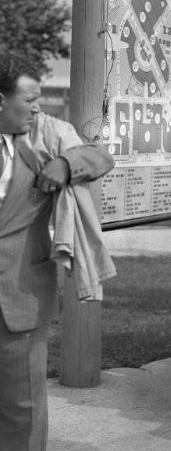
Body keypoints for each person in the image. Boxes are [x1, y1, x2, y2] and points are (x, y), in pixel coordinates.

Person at [0, 55, 115, 450]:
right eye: (28, 99)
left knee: (24, 409)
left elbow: (100, 156)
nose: (36, 107)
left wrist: (66, 163)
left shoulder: (48, 133)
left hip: (20, 297)